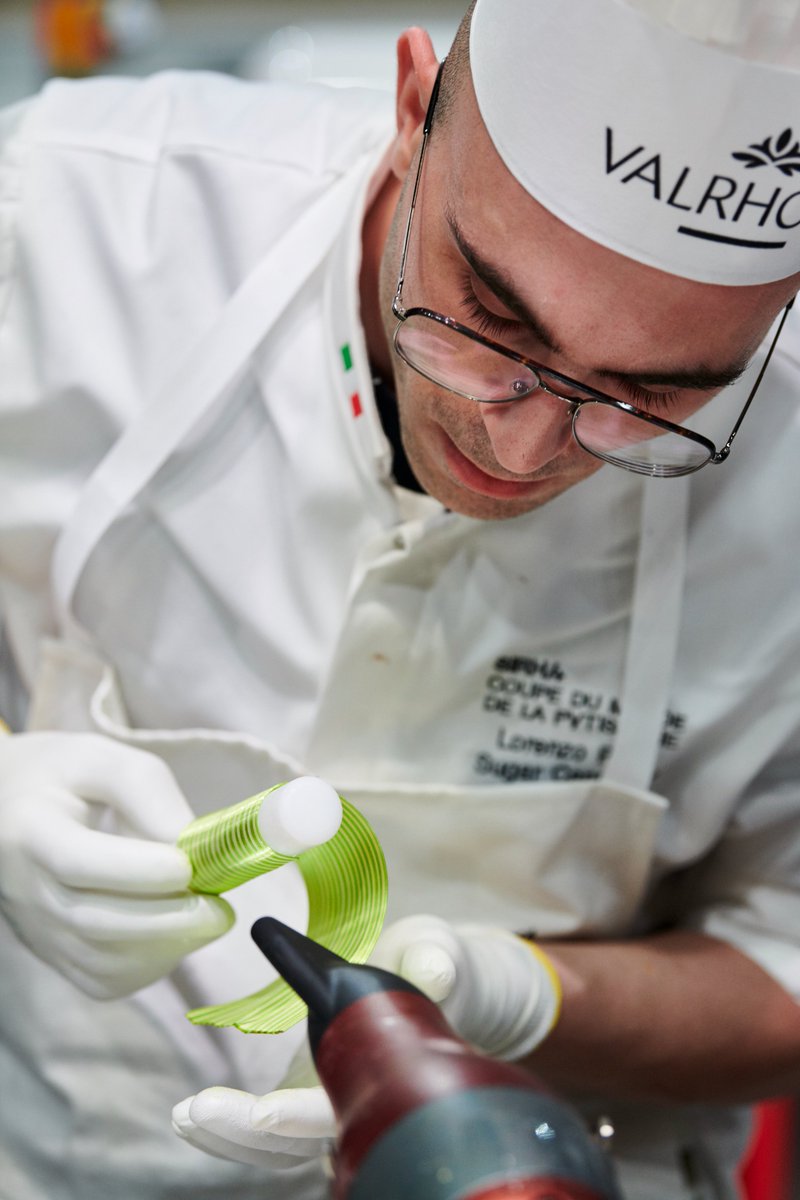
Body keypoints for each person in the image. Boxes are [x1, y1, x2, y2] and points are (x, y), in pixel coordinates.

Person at [0, 0, 799, 1196]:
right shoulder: (71, 218)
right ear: (410, 112)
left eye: (648, 397)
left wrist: (528, 996)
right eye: (488, 317)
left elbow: (781, 966)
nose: (519, 448)